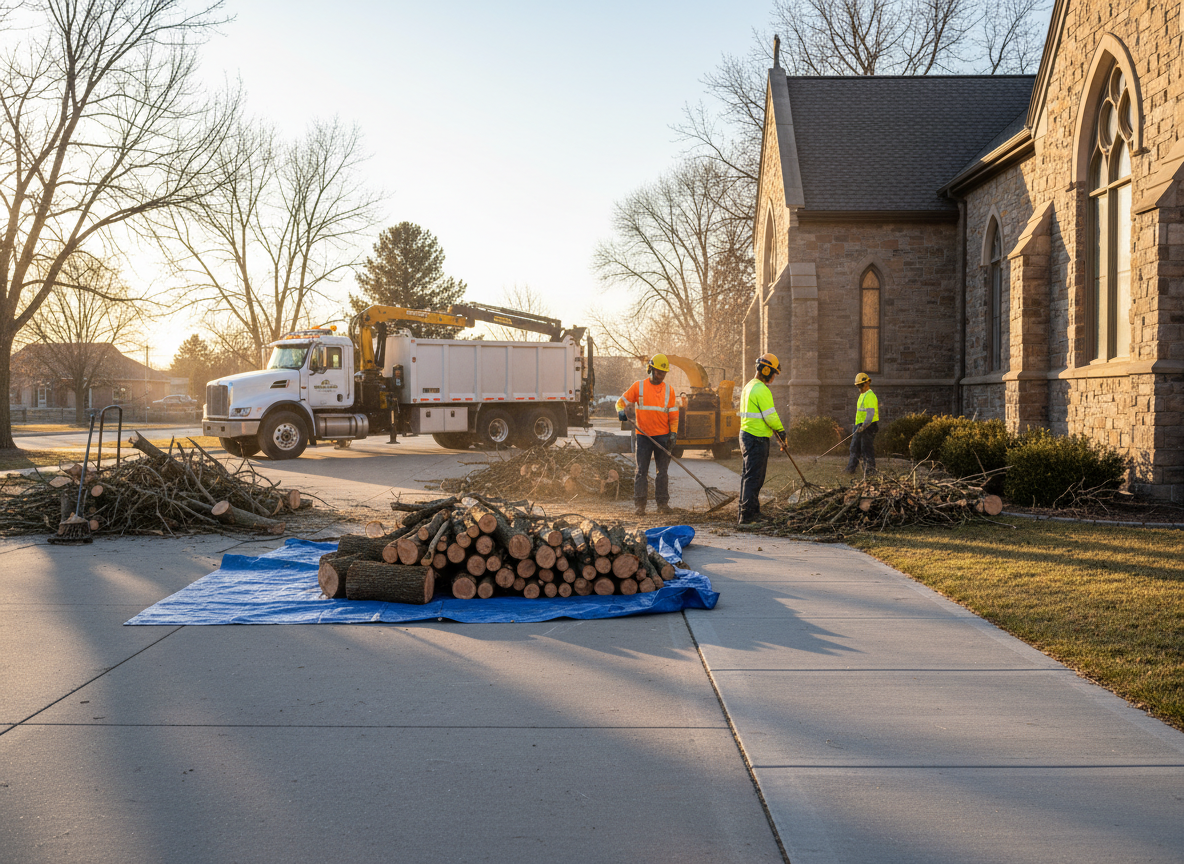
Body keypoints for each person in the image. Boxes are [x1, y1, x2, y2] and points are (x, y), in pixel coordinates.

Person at [617, 354, 679, 516]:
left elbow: (673, 415)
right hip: (643, 437)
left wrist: (673, 434)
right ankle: (640, 505)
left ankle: (662, 504)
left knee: (662, 472)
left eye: (664, 373)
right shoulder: (639, 387)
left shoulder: (669, 390)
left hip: (663, 437)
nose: (661, 376)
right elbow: (620, 403)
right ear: (650, 369)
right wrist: (620, 412)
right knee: (641, 472)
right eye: (659, 372)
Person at [738, 353, 787, 524]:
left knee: (748, 476)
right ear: (766, 370)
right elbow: (770, 416)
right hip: (756, 438)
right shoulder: (761, 389)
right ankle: (748, 516)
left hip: (746, 435)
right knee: (755, 478)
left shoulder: (748, 386)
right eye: (773, 373)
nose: (774, 377)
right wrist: (781, 433)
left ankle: (747, 512)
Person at [845, 372, 880, 475]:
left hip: (868, 427)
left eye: (860, 385)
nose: (859, 388)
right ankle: (850, 469)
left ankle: (870, 471)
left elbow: (870, 414)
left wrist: (864, 426)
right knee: (854, 448)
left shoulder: (870, 396)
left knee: (866, 449)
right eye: (857, 386)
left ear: (867, 383)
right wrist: (858, 426)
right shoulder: (862, 395)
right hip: (859, 425)